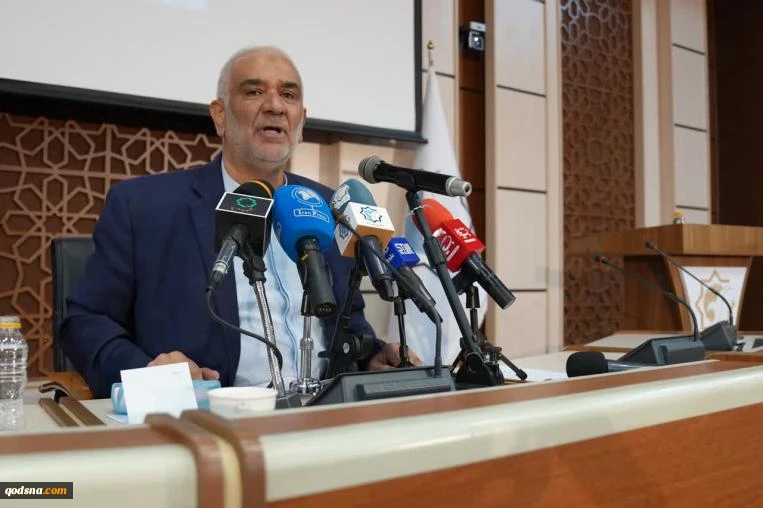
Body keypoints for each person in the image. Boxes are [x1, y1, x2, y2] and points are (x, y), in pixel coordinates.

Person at [60, 46, 421, 399]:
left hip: (324, 416)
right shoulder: (144, 207)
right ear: (220, 116)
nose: (275, 106)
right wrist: (148, 373)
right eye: (254, 91)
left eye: (288, 95)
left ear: (301, 121)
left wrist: (372, 357)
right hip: (207, 421)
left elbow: (348, 324)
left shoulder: (330, 207)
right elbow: (85, 321)